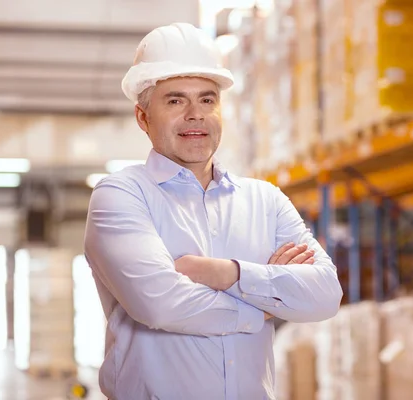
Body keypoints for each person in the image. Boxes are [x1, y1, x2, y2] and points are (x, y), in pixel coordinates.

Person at [83, 22, 343, 400]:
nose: (195, 115)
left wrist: (225, 273)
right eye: (175, 101)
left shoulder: (264, 200)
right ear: (143, 117)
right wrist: (265, 307)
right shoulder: (122, 195)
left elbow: (324, 294)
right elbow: (160, 304)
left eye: (207, 100)